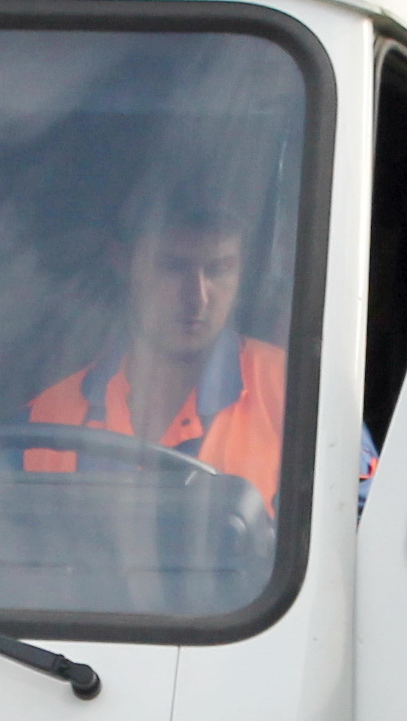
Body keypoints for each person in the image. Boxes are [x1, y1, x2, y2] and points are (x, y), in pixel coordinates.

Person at [22, 188, 286, 504]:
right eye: (172, 267)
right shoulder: (43, 423)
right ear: (123, 261)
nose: (197, 297)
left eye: (218, 269)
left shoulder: (300, 396)